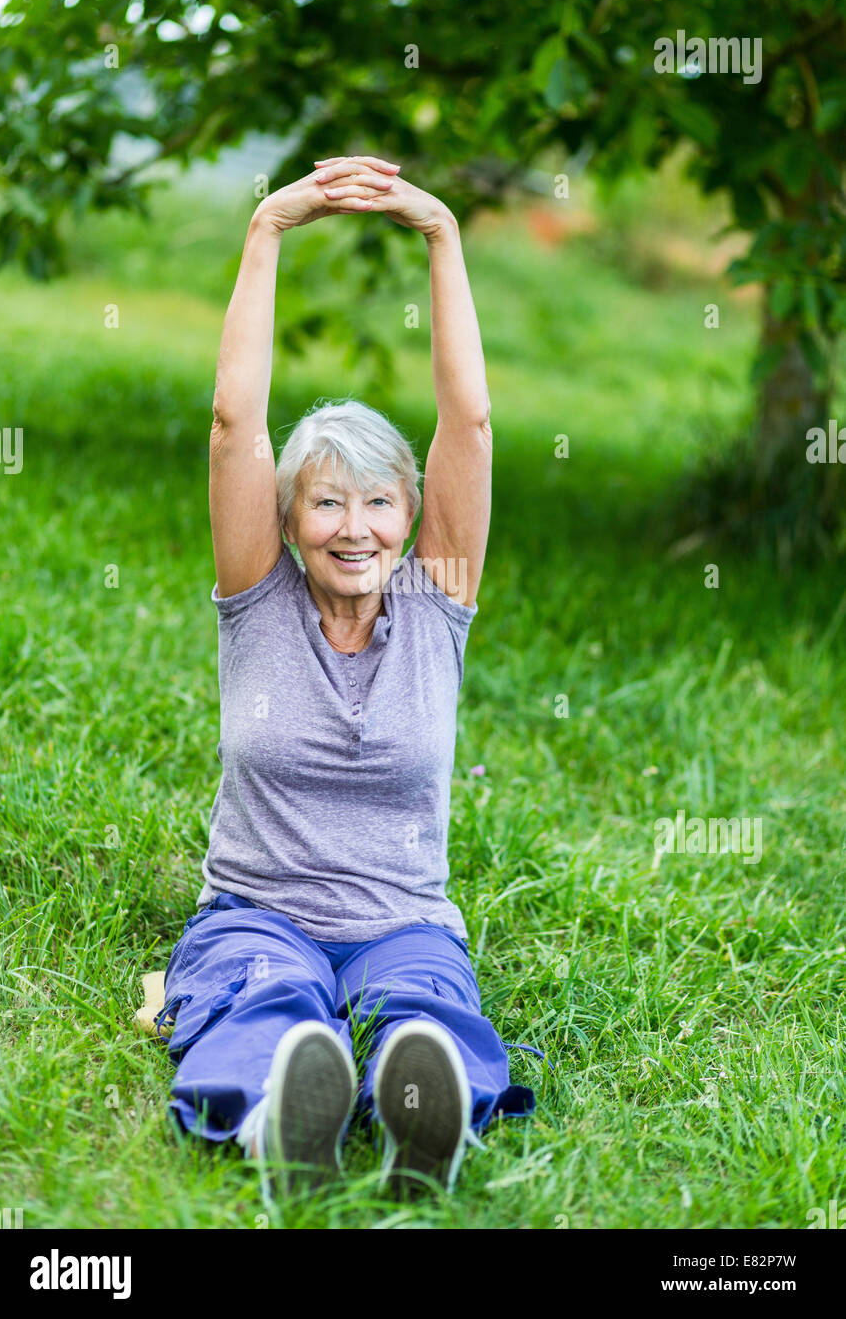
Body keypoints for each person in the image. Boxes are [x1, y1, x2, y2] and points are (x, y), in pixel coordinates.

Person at [155, 154, 536, 1192]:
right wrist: (268, 228)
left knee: (422, 1005)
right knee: (261, 990)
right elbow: (236, 421)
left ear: (411, 518)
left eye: (377, 503)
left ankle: (424, 1116)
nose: (353, 528)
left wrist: (441, 233)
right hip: (255, 910)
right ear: (286, 520)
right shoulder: (256, 596)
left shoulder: (436, 598)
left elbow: (468, 425)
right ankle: (286, 1100)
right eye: (324, 503)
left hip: (399, 919)